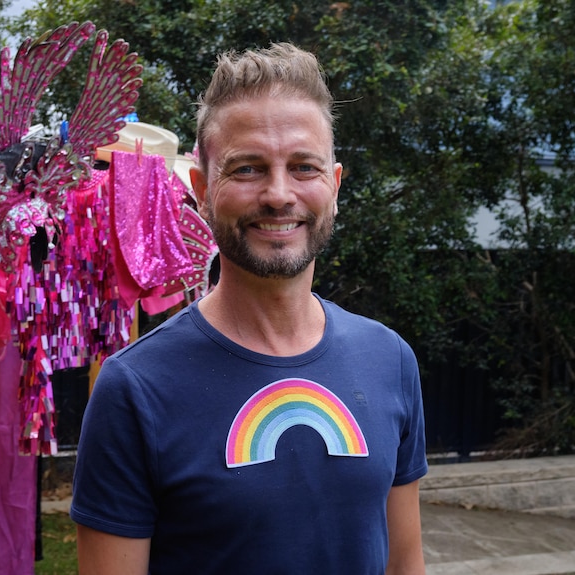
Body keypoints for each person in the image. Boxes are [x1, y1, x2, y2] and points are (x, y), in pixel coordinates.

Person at [70, 42, 428, 575]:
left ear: (333, 186)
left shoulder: (390, 360)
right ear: (201, 189)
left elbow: (405, 564)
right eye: (247, 169)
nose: (279, 194)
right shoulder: (133, 389)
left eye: (304, 166)